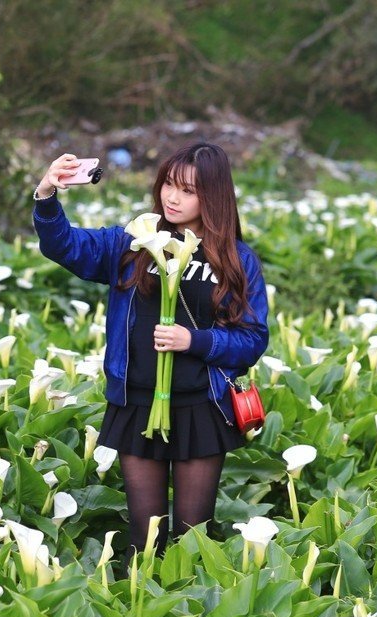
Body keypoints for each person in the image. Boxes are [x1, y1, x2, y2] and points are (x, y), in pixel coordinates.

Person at [32, 143, 269, 556]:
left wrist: (193, 340)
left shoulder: (234, 259)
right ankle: (141, 610)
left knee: (192, 540)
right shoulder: (133, 242)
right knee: (146, 540)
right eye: (168, 186)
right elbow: (65, 246)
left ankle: (188, 614)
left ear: (212, 197)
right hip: (138, 402)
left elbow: (252, 339)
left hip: (200, 405)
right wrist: (47, 194)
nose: (172, 198)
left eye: (188, 191)